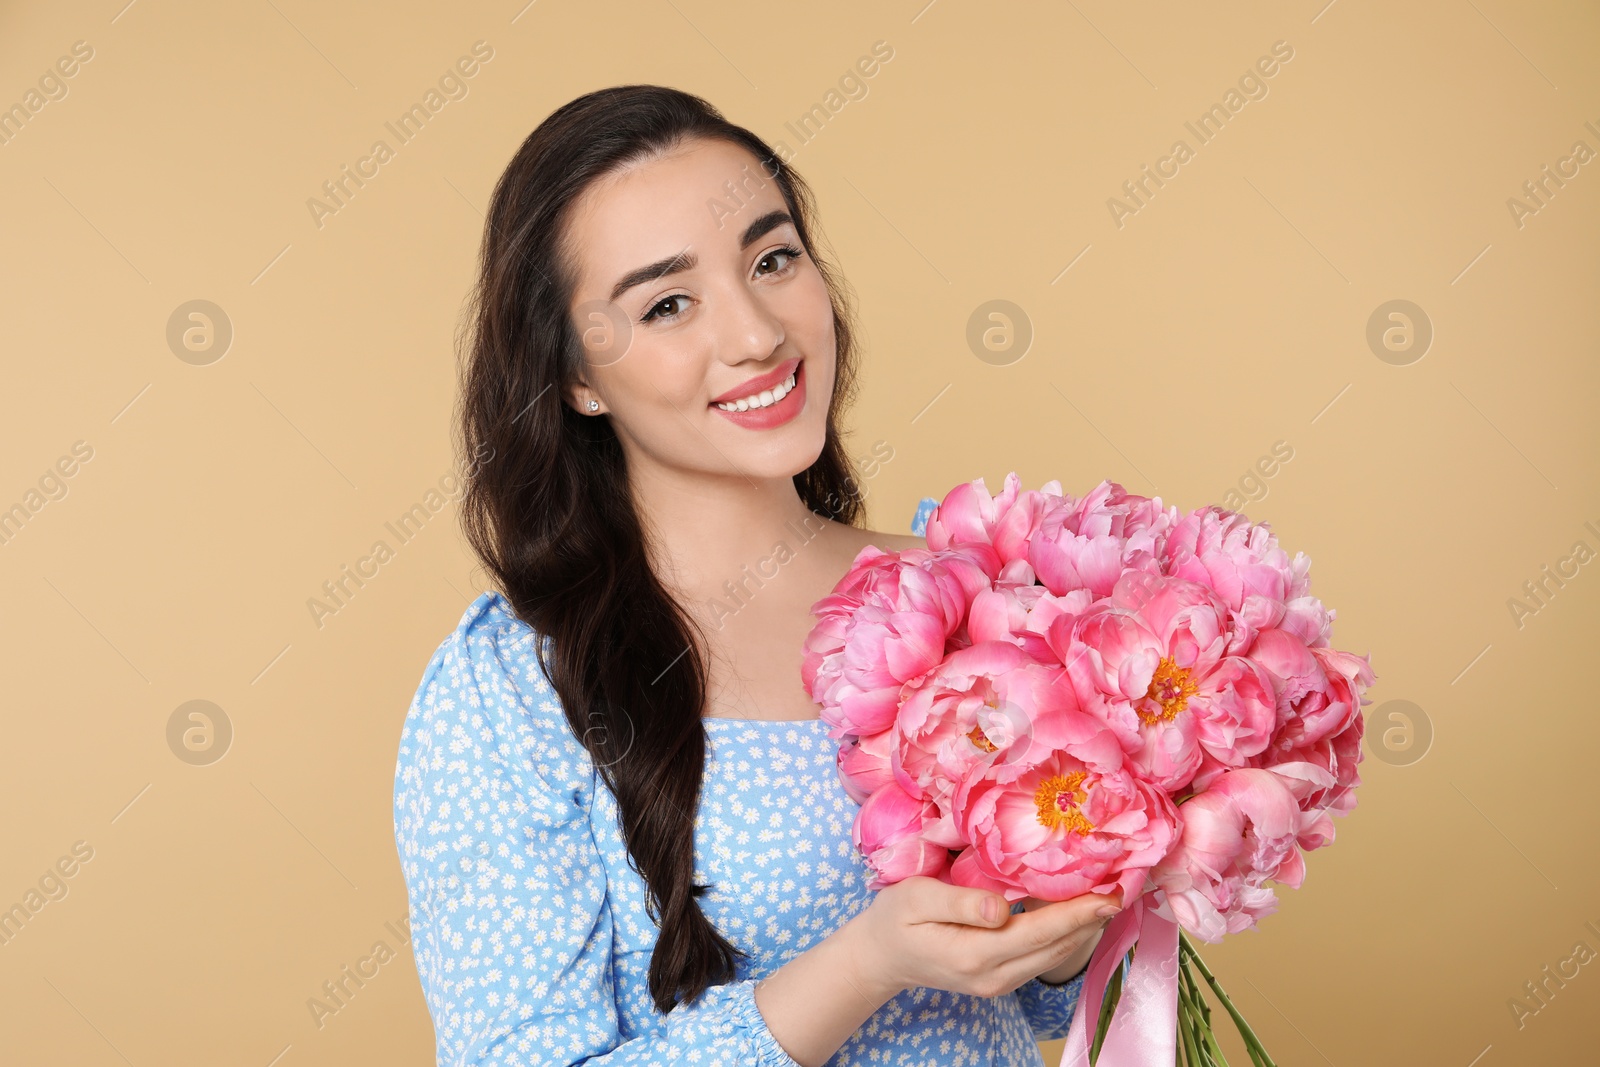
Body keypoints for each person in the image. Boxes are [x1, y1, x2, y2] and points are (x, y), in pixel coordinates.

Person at [392, 84, 1122, 1067]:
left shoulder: (975, 596)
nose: (755, 333)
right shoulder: (512, 689)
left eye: (771, 258)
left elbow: (1041, 1006)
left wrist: (1053, 945)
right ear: (574, 376)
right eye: (668, 303)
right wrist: (864, 962)